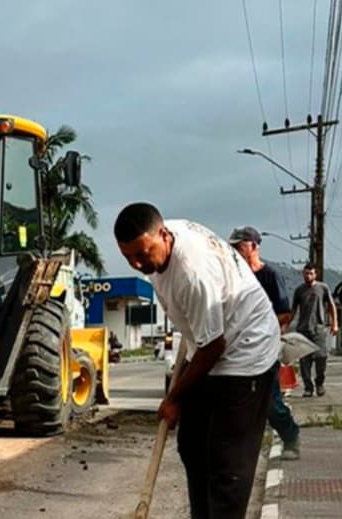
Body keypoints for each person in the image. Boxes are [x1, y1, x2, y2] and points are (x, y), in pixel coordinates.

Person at [115, 203, 280, 518]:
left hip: (247, 349)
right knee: (192, 445)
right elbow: (205, 340)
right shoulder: (157, 248)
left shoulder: (192, 273)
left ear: (163, 235)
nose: (137, 263)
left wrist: (174, 397)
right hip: (210, 342)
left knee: (226, 462)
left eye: (143, 253)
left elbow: (214, 345)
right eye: (128, 257)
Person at [229, 226, 300, 461]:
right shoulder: (235, 277)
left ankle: (291, 437)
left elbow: (283, 313)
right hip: (238, 346)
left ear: (254, 246)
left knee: (270, 401)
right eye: (233, 248)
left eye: (240, 247)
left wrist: (265, 331)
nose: (236, 251)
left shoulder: (269, 276)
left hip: (265, 347)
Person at [291, 264, 337, 397]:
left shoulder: (323, 288)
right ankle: (308, 388)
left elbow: (331, 306)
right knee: (305, 361)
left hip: (319, 329)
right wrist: (285, 324)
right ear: (303, 274)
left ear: (315, 274)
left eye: (311, 273)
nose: (308, 276)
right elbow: (293, 310)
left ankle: (319, 383)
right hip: (303, 329)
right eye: (306, 273)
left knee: (321, 357)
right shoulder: (299, 290)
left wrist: (335, 323)